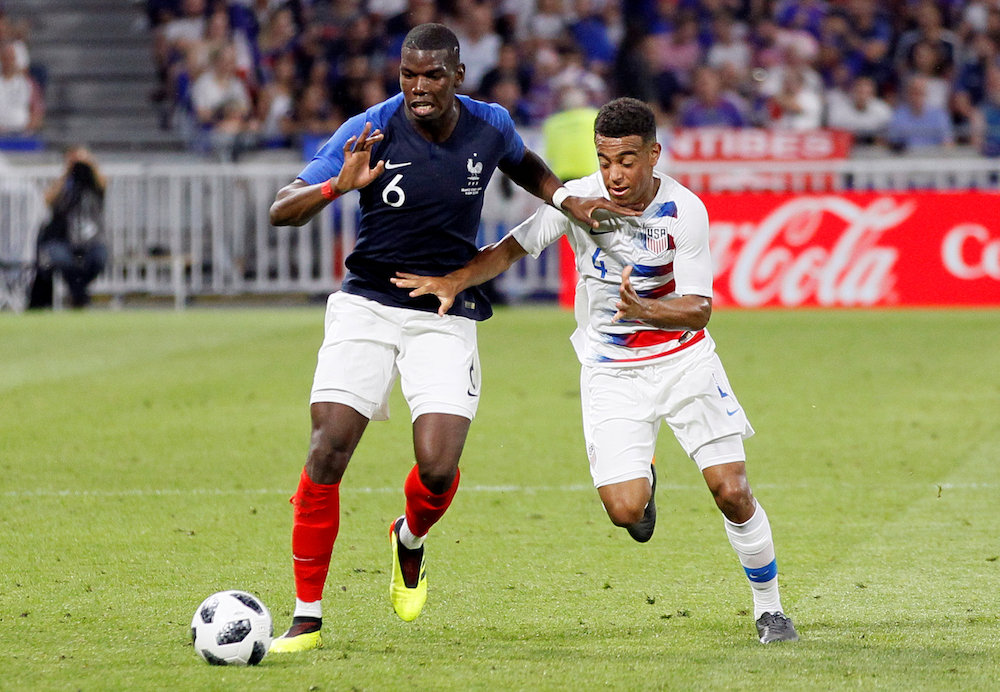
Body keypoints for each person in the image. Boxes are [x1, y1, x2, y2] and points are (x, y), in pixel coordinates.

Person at [266, 23, 633, 653]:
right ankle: (306, 615)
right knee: (328, 448)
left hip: (446, 306)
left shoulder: (490, 124)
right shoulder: (370, 128)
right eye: (408, 75)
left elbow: (526, 168)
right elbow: (283, 207)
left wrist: (568, 201)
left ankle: (408, 538)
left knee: (438, 468)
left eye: (432, 75)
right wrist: (338, 186)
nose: (418, 87)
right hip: (368, 306)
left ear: (458, 76)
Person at [392, 97, 799, 645]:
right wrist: (456, 280)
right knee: (626, 510)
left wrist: (648, 310)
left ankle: (769, 609)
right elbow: (512, 247)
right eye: (606, 160)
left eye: (628, 161)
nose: (615, 174)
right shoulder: (577, 200)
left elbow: (700, 308)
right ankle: (644, 478)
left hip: (685, 361)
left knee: (731, 490)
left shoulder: (685, 211)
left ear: (654, 154)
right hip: (611, 373)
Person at [29, 147, 108, 309]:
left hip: (91, 239)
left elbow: (103, 183)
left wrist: (89, 163)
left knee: (99, 258)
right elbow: (48, 199)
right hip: (62, 238)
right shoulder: (64, 185)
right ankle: (80, 295)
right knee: (60, 259)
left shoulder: (92, 184)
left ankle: (78, 293)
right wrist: (68, 170)